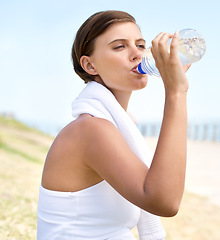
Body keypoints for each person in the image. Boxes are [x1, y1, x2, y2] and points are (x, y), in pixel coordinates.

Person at [37, 10, 190, 240]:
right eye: (120, 47)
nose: (137, 54)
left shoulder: (118, 125)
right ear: (90, 65)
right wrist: (176, 92)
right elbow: (165, 201)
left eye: (140, 45)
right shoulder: (90, 129)